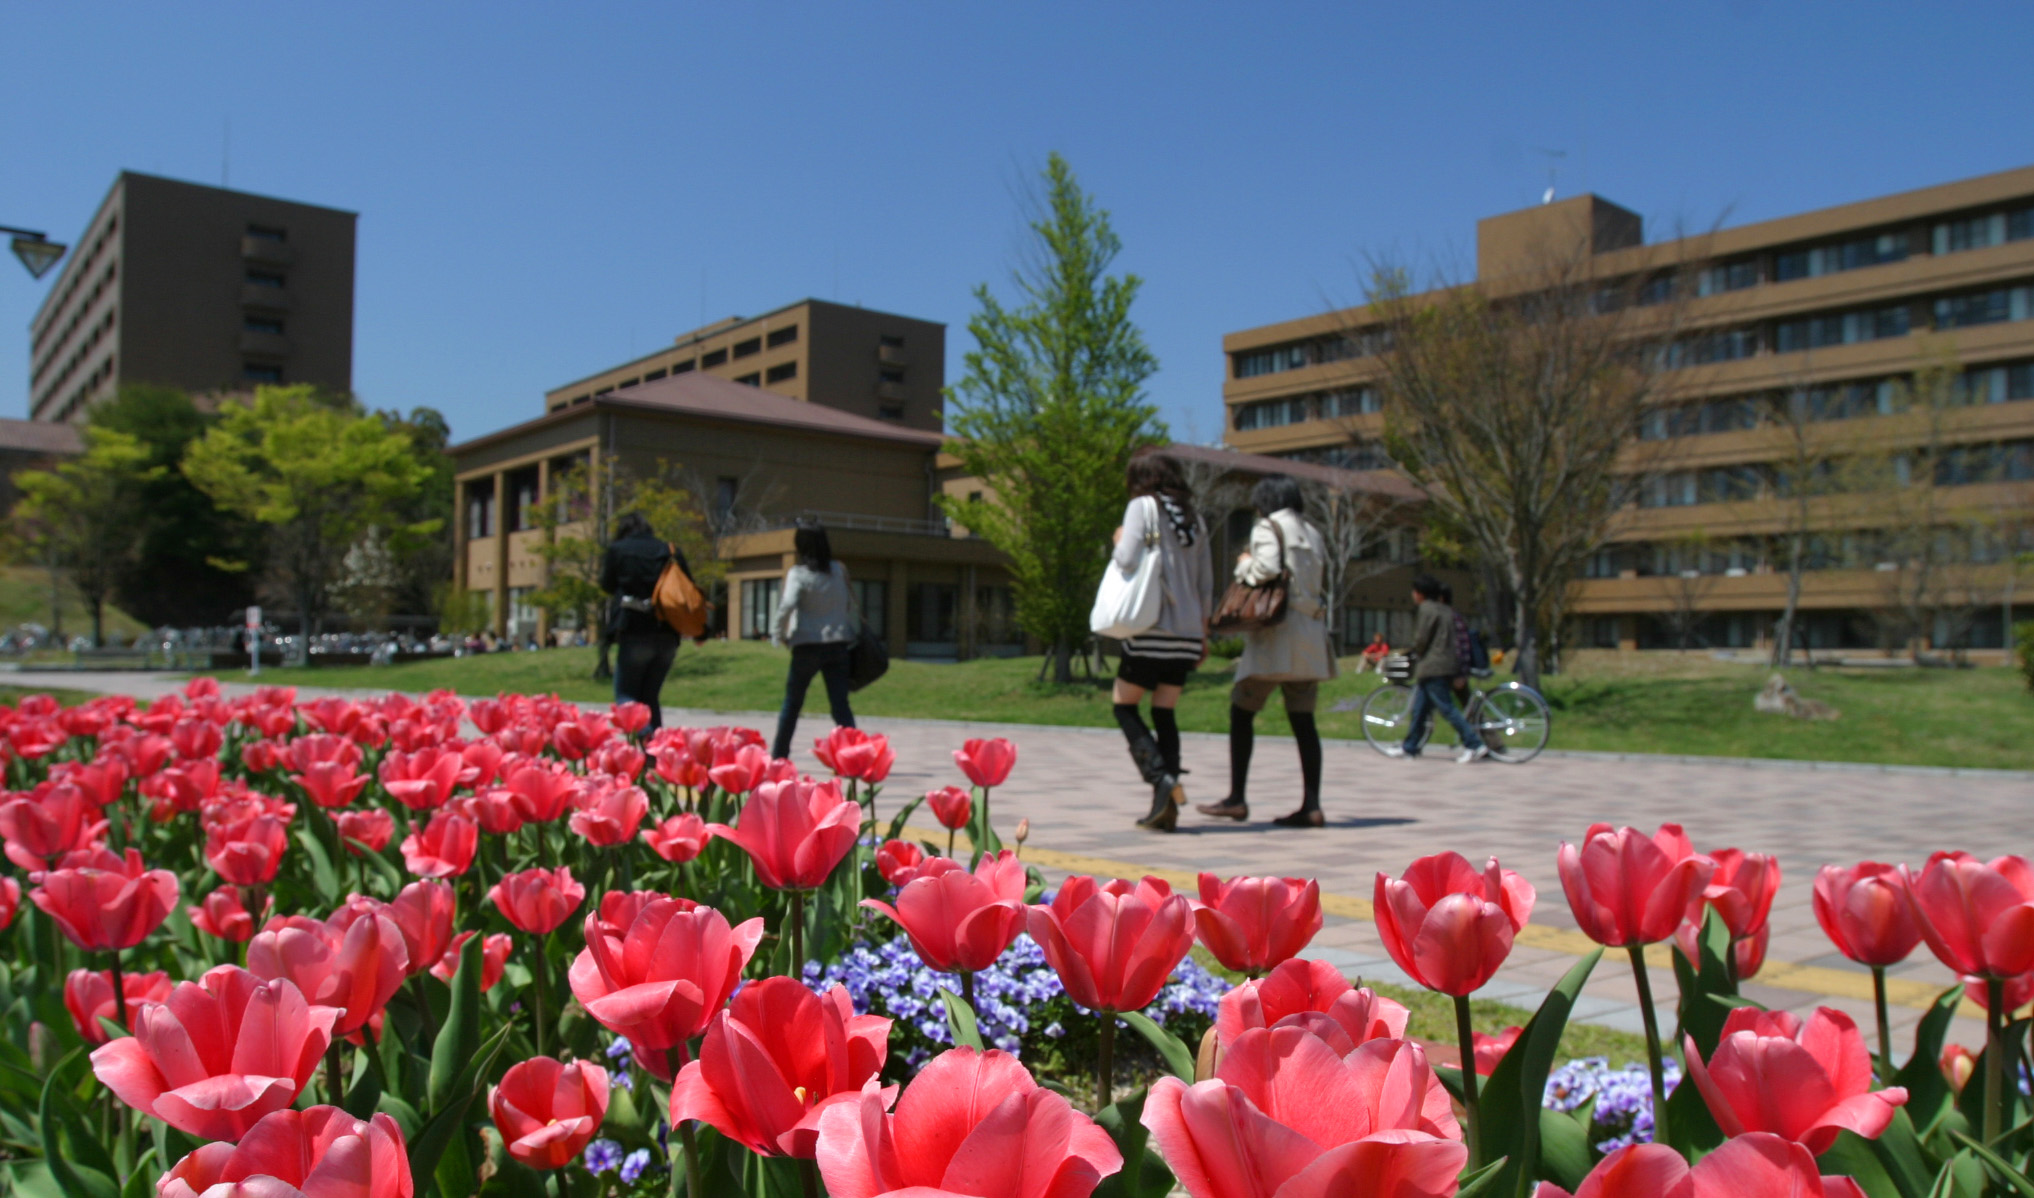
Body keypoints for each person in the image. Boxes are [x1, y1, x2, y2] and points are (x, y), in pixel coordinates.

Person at [1195, 474, 1334, 829]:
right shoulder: (1313, 533)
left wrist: (1243, 563)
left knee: (1242, 710)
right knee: (1304, 721)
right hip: (1310, 637)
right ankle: (1313, 804)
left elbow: (1267, 569)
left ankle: (1237, 797)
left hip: (1276, 636)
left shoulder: (1267, 527)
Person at [1108, 451, 1214, 832]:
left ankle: (1160, 779)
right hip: (1187, 634)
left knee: (1123, 706)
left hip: (1152, 629)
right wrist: (1203, 635)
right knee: (1164, 712)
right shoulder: (1194, 518)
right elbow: (1206, 585)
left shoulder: (1142, 507)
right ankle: (1164, 805)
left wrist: (1119, 537)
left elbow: (1125, 559)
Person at [768, 521, 858, 760]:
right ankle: (855, 755)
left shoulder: (798, 574)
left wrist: (778, 634)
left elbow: (787, 604)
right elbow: (847, 603)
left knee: (792, 705)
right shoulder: (839, 570)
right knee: (840, 706)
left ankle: (779, 756)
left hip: (807, 645)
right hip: (838, 644)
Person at [600, 511, 694, 733]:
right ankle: (658, 753)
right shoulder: (669, 551)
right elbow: (688, 589)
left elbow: (607, 584)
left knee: (626, 696)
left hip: (634, 629)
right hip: (667, 633)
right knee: (650, 697)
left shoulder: (618, 550)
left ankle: (647, 739)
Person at [1384, 574, 1488, 763]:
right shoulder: (1446, 610)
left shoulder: (1427, 610)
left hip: (1433, 666)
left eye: (1415, 591)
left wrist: (1414, 651)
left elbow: (1422, 638)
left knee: (1447, 709)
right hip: (1447, 664)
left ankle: (1474, 744)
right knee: (1420, 709)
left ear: (1421, 594)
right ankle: (1410, 747)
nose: (1413, 595)